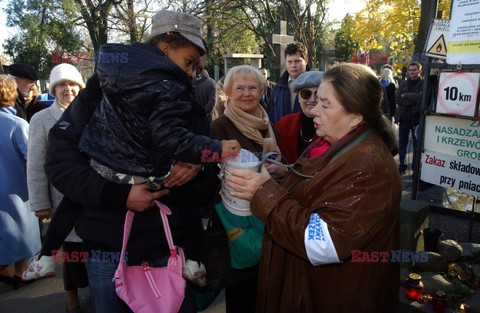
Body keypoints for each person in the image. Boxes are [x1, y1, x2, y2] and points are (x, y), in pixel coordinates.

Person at [45, 10, 238, 313]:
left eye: (196, 68)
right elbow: (60, 161)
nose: (191, 74)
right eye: (189, 64)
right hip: (108, 248)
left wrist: (198, 166)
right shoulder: (101, 89)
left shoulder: (186, 95)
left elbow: (203, 169)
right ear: (164, 47)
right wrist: (119, 196)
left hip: (172, 245)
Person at [225, 63, 401, 313]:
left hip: (328, 297)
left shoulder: (368, 167)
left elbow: (323, 242)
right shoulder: (332, 145)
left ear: (356, 115)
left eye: (325, 104)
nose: (313, 110)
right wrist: (278, 181)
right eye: (315, 99)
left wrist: (263, 192)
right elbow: (312, 197)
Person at [210, 65, 282, 313]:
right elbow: (209, 170)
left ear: (261, 91)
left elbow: (281, 161)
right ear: (229, 91)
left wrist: (277, 170)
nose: (246, 93)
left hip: (266, 214)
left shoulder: (270, 124)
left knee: (266, 283)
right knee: (241, 287)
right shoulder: (220, 127)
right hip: (237, 220)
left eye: (253, 88)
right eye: (239, 88)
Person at [24, 63, 88, 313]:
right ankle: (72, 297)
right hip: (62, 198)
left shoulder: (93, 113)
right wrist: (40, 202)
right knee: (71, 253)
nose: (68, 89)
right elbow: (35, 163)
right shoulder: (41, 119)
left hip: (93, 197)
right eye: (61, 84)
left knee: (96, 247)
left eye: (72, 84)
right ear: (52, 89)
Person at [0, 75, 41, 290]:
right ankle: (19, 273)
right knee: (21, 233)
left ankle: (8, 271)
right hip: (16, 191)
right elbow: (32, 159)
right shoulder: (16, 124)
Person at [276, 71, 323, 164]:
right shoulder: (285, 123)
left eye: (318, 95)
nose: (312, 100)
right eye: (306, 94)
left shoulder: (333, 128)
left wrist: (286, 170)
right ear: (298, 97)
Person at [268, 42, 308, 124]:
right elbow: (271, 115)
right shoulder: (278, 88)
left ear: (306, 60)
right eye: (289, 62)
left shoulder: (316, 86)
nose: (293, 65)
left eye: (297, 61)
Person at [395, 62, 423, 174]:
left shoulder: (423, 84)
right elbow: (397, 99)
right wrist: (412, 100)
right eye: (410, 70)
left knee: (417, 146)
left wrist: (405, 96)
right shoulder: (404, 83)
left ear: (419, 71)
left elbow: (421, 99)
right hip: (403, 118)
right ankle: (402, 166)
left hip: (416, 119)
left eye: (414, 70)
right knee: (402, 144)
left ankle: (415, 168)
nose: (412, 72)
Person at [193, 52, 216, 122]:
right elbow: (212, 102)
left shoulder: (186, 83)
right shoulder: (211, 83)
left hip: (192, 120)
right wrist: (203, 113)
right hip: (208, 119)